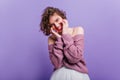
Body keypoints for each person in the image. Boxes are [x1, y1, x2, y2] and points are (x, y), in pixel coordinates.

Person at [40, 6, 90, 80]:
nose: (56, 25)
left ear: (62, 17)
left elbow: (75, 58)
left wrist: (65, 34)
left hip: (79, 75)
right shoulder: (51, 39)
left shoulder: (77, 30)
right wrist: (59, 39)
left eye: (57, 20)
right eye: (52, 25)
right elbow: (57, 64)